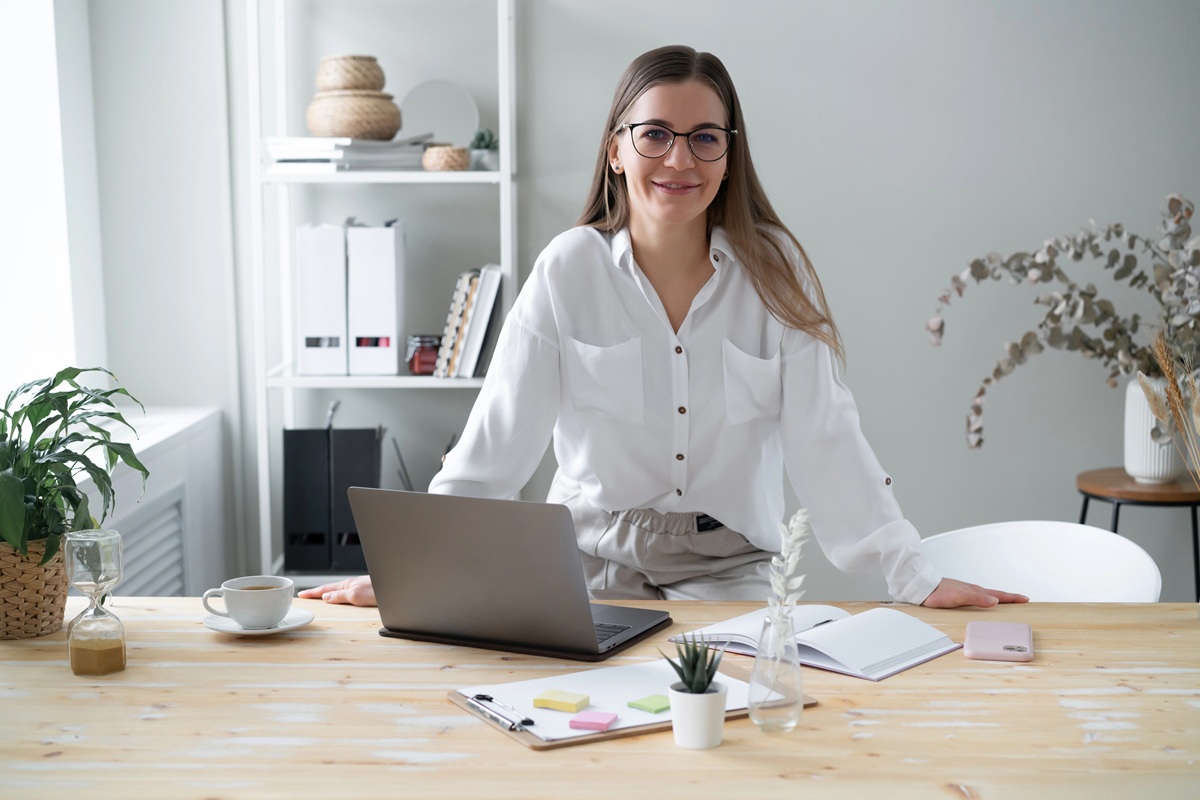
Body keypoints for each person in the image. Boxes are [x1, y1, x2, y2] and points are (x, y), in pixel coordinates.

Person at [301, 45, 1027, 611]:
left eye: (705, 138)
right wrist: (410, 573)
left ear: (729, 154)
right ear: (616, 150)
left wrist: (915, 576)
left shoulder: (775, 274)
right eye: (655, 135)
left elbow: (828, 441)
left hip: (730, 568)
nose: (679, 159)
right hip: (582, 563)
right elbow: (496, 443)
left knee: (733, 725)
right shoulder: (569, 269)